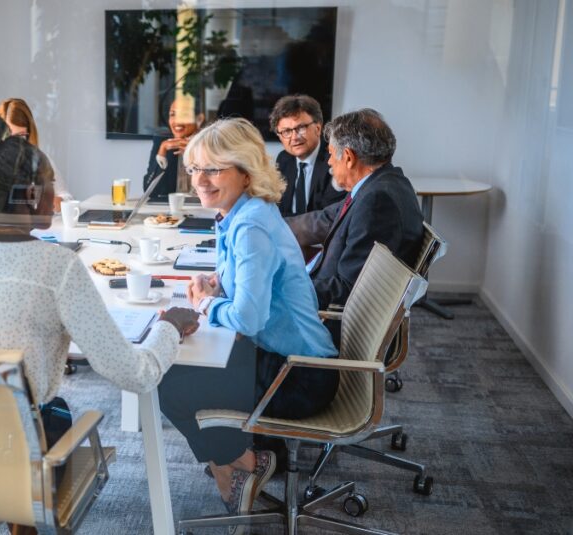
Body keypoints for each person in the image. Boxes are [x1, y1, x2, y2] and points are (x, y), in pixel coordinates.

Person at [0, 113, 200, 533]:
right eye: (51, 187)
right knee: (58, 414)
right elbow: (135, 375)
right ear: (29, 194)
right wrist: (169, 326)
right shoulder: (56, 266)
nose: (57, 197)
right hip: (21, 455)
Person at [156, 118, 338, 526]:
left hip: (299, 375)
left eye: (213, 169)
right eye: (195, 169)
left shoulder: (251, 224)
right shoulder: (244, 212)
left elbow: (248, 319)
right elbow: (249, 285)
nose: (200, 180)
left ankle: (239, 462)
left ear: (245, 171)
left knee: (164, 379)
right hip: (284, 358)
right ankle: (235, 457)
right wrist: (218, 283)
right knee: (176, 367)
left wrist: (204, 305)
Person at [285, 108, 424, 312]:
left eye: (331, 155)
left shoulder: (377, 201)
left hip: (330, 317)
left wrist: (283, 287)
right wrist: (269, 226)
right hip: (324, 294)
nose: (329, 162)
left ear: (348, 157)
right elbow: (325, 218)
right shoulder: (383, 183)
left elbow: (349, 288)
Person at [0, 98, 71, 230]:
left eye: (20, 136)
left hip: (35, 238)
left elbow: (67, 199)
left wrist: (50, 202)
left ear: (30, 135)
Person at [269, 94, 346, 217]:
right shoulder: (284, 159)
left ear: (318, 128)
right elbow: (278, 209)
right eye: (287, 131)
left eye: (300, 128)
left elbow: (330, 214)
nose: (294, 137)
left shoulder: (334, 159)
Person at [143, 97, 204, 202]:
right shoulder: (163, 143)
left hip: (205, 207)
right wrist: (162, 152)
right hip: (173, 209)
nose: (177, 121)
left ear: (199, 119)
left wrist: (197, 154)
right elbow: (150, 192)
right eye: (172, 114)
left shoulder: (210, 142)